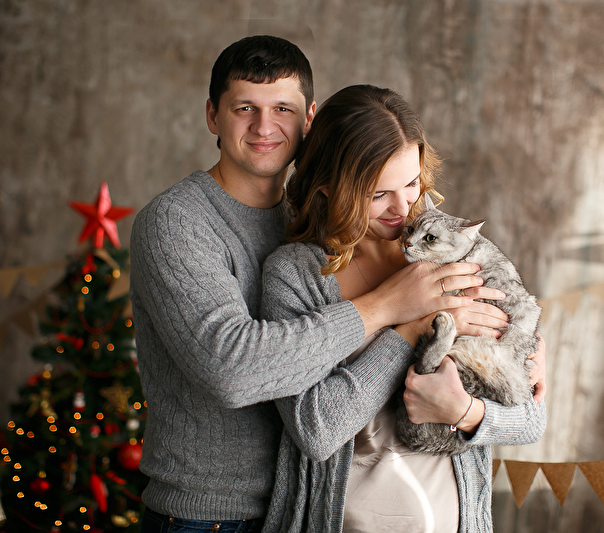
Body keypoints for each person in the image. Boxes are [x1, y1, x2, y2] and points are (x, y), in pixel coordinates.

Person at [130, 36, 493, 533]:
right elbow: (231, 370)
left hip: (302, 507)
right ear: (213, 116)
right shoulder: (176, 222)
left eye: (282, 108)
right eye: (244, 108)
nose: (264, 127)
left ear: (309, 119)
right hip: (209, 514)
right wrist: (386, 308)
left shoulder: (322, 223)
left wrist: (512, 354)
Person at [260, 84, 547, 533]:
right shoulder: (294, 276)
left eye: (412, 183)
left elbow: (530, 421)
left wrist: (465, 412)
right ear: (329, 187)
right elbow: (317, 429)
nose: (403, 208)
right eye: (378, 194)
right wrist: (411, 327)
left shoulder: (454, 252)